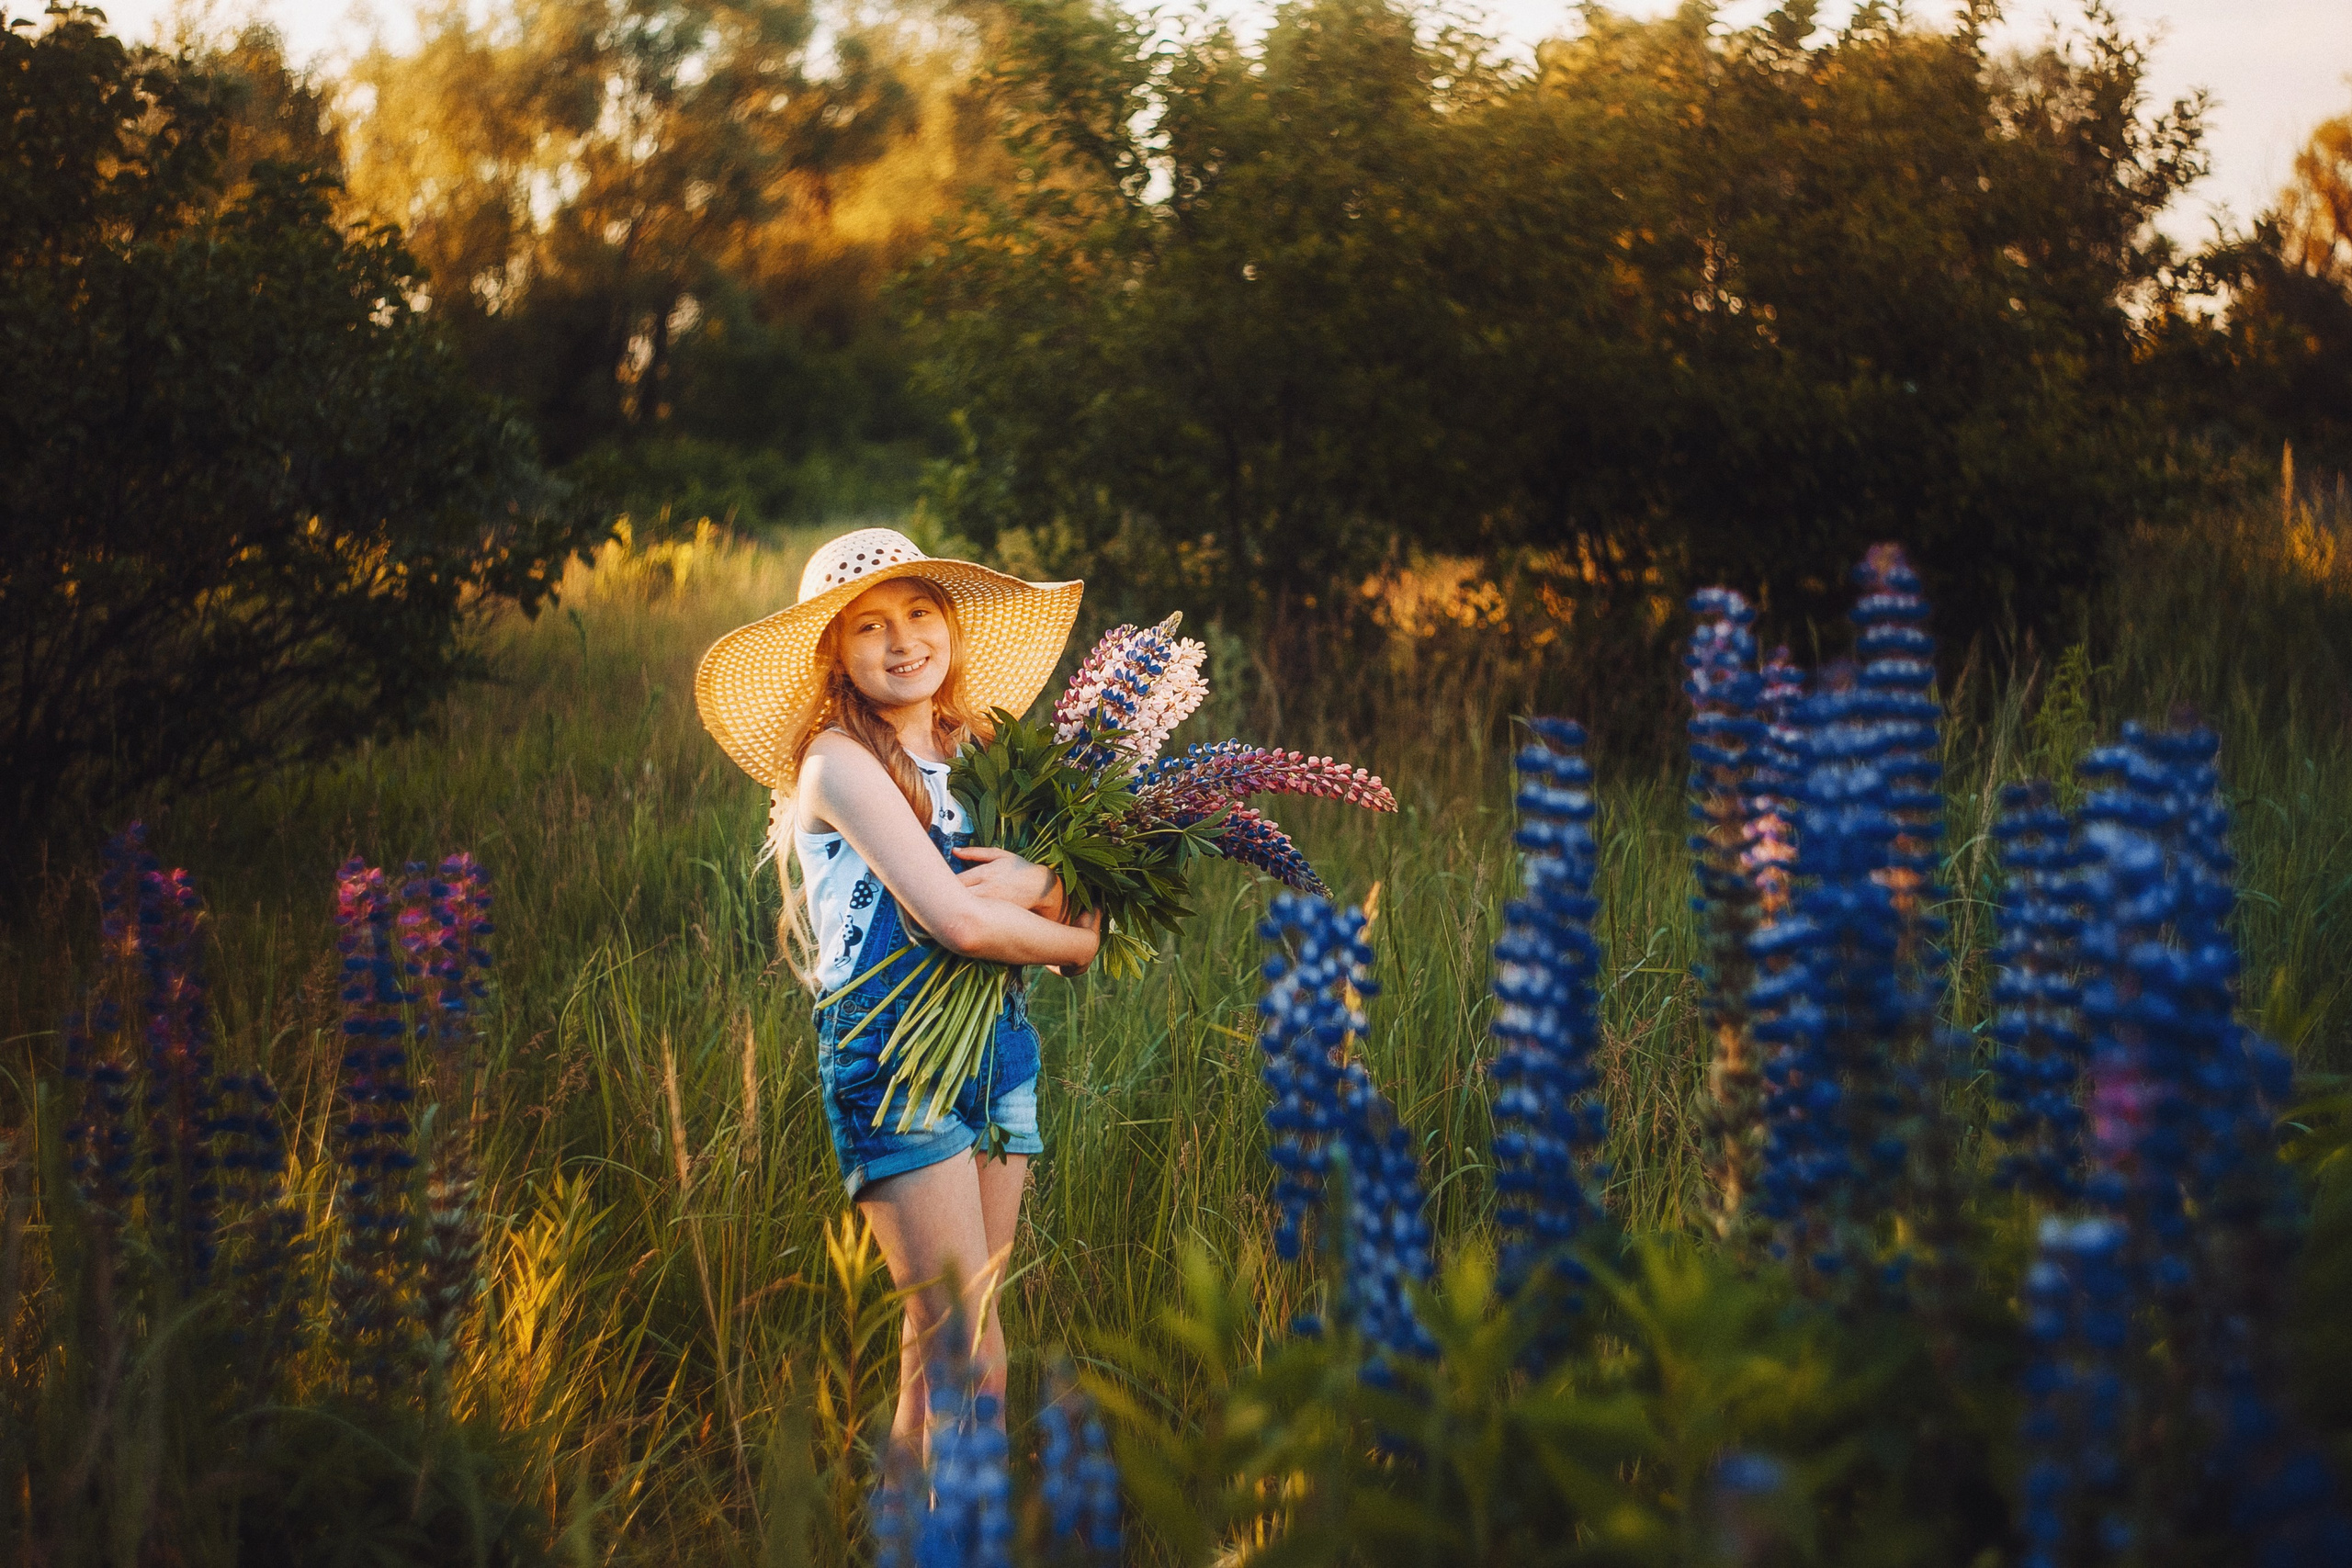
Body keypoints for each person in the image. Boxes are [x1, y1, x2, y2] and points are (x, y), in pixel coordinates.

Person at [695, 527, 1094, 1459]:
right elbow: (957, 922)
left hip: (999, 1048)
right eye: (868, 625)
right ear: (833, 652)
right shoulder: (837, 762)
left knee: (939, 1354)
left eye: (919, 612)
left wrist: (1047, 892)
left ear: (949, 625)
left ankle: (914, 1540)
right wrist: (1071, 940)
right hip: (895, 1057)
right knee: (972, 1358)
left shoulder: (985, 748)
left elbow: (1073, 891)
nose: (902, 639)